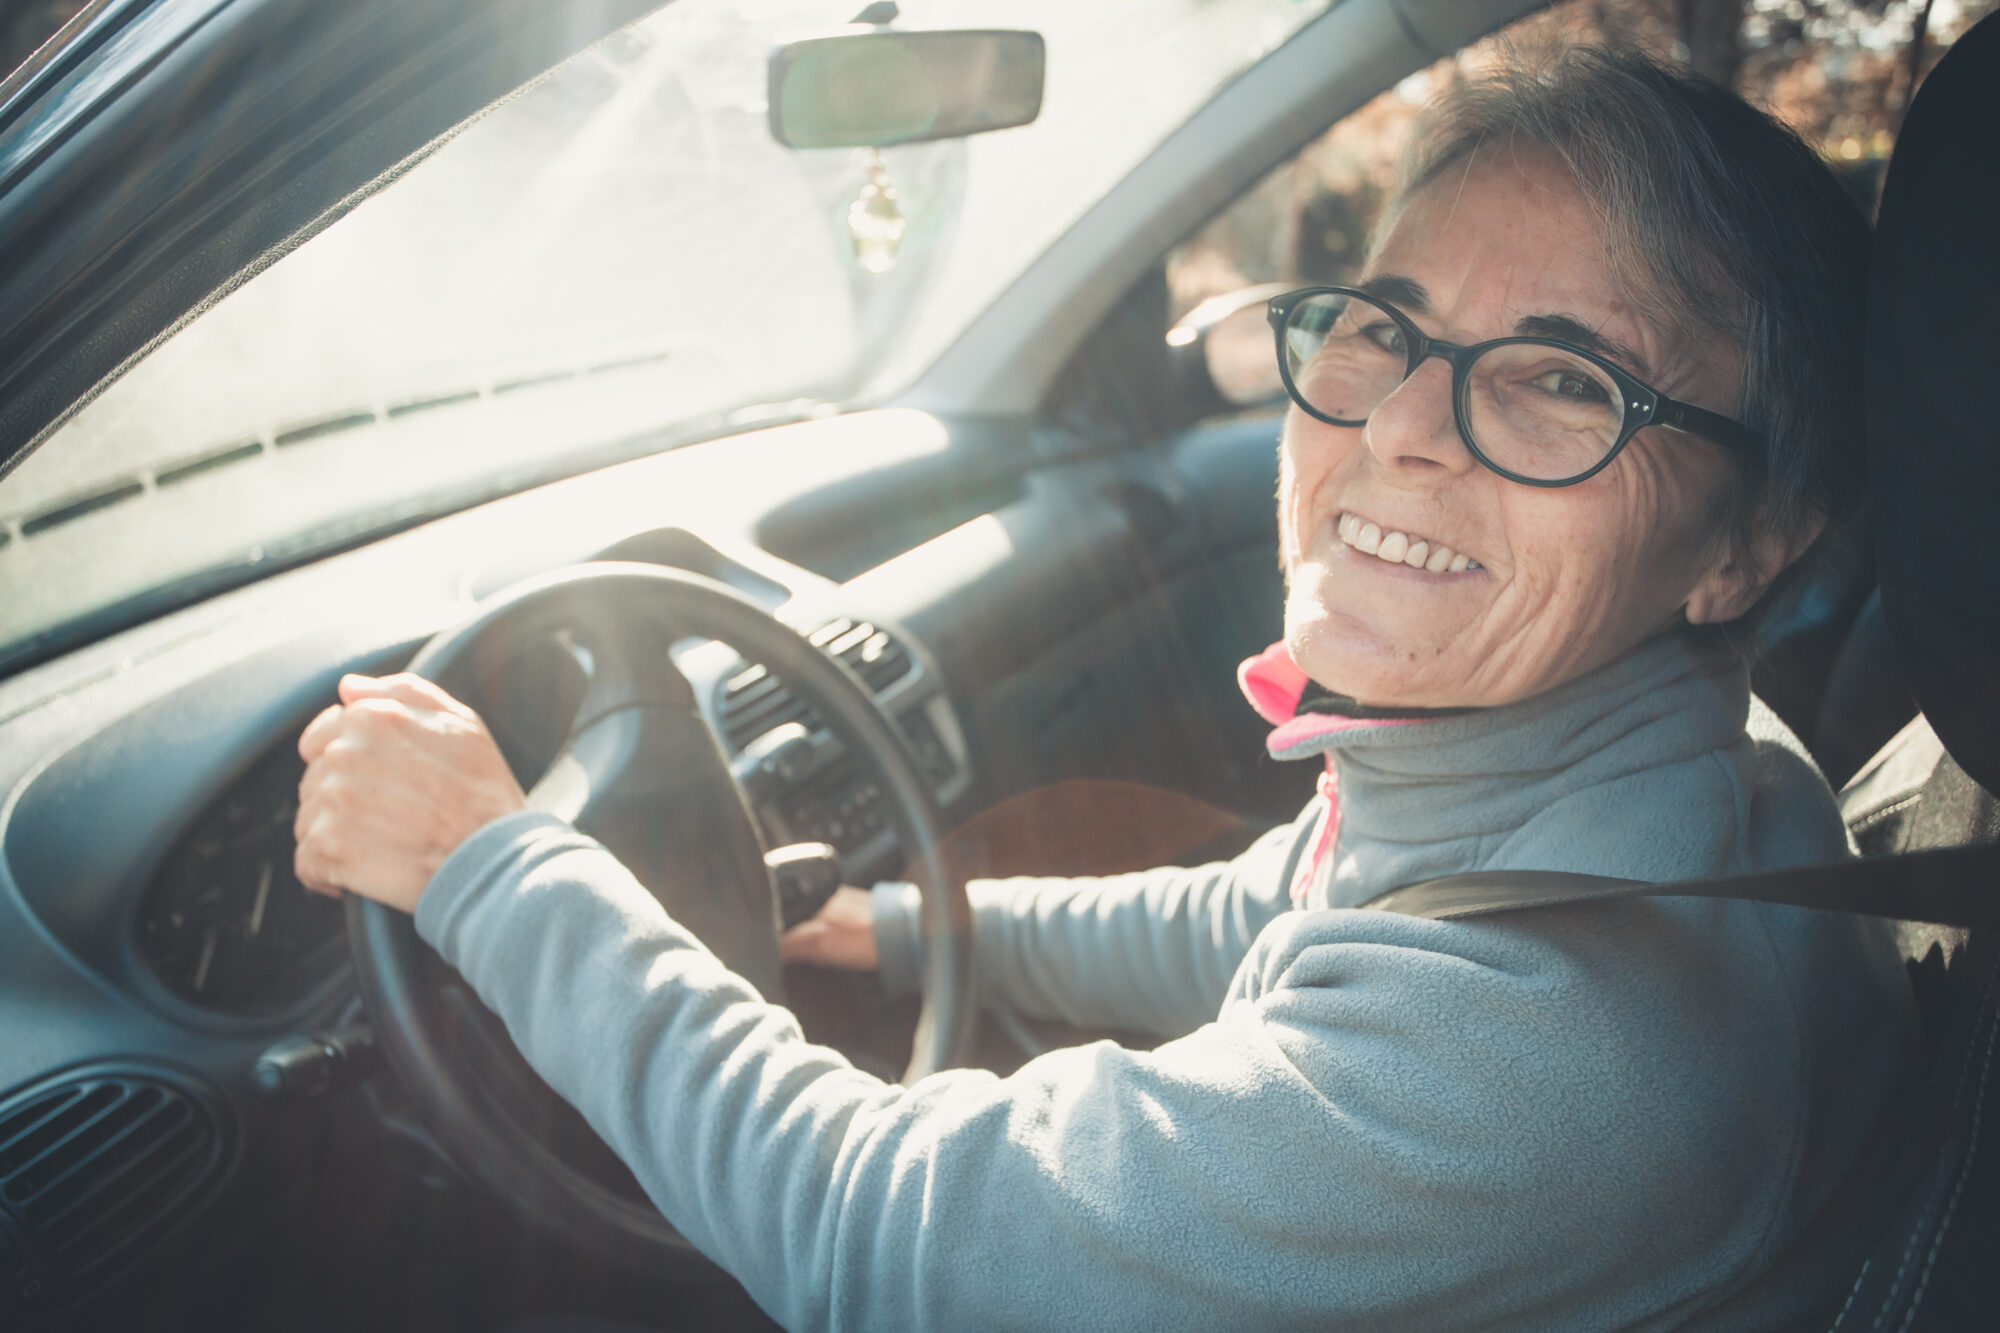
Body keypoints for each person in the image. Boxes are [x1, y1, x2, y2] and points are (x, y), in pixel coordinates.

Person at [293, 49, 1917, 1330]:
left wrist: (492, 867)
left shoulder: (1553, 1049)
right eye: (1386, 330)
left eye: (1570, 380)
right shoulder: (1675, 778)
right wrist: (912, 930)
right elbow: (1266, 908)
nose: (1405, 429)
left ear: (1745, 544)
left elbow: (878, 1242)